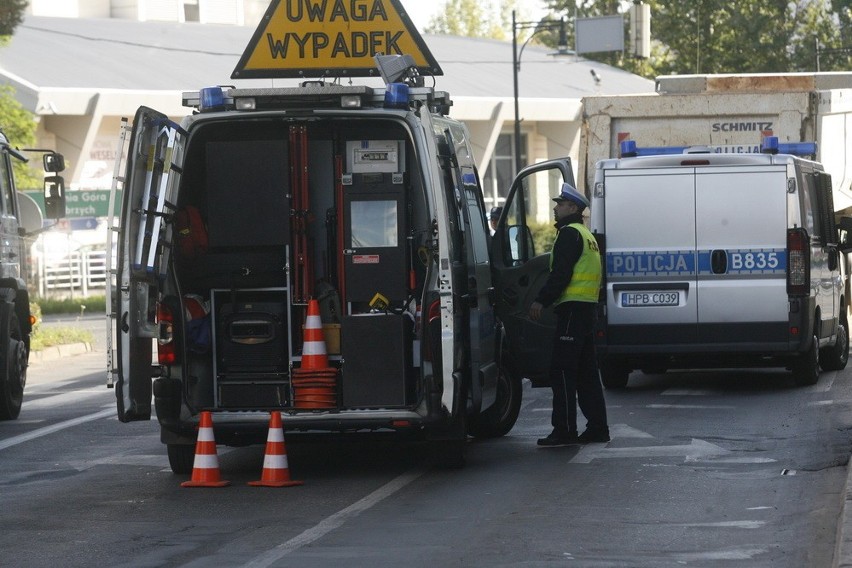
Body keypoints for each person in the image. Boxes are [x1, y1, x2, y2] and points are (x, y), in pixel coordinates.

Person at [529, 182, 609, 446]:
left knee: (562, 370)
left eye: (560, 204)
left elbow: (561, 274)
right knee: (587, 373)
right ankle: (598, 428)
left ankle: (564, 430)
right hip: (586, 310)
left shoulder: (568, 234)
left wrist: (541, 301)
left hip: (573, 310)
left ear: (572, 207)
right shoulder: (586, 236)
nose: (555, 208)